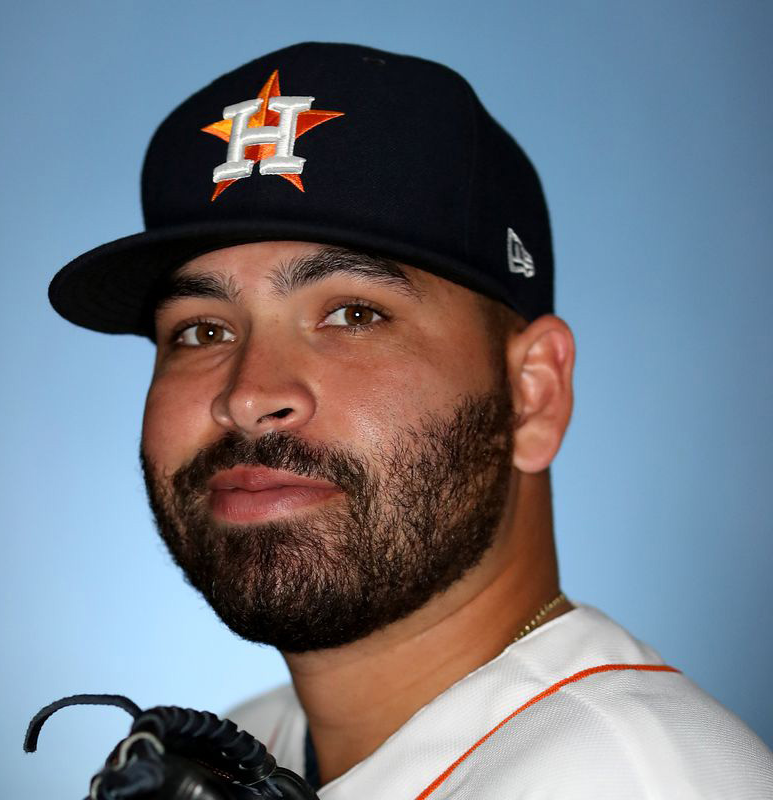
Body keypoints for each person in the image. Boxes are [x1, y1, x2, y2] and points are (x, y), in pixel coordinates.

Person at [48, 42, 773, 797]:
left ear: (533, 394)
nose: (248, 395)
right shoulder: (251, 740)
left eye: (353, 313)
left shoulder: (640, 780)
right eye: (201, 329)